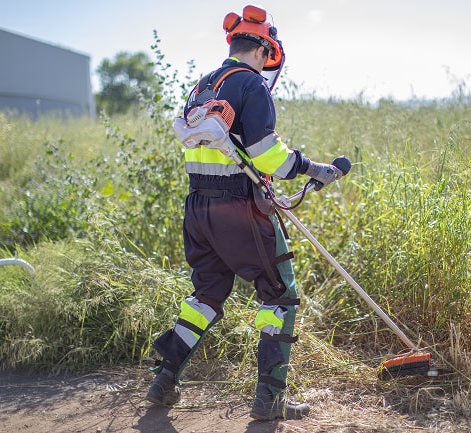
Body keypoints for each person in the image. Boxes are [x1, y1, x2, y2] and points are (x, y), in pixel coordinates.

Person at [145, 4, 342, 421]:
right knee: (280, 297)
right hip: (239, 209)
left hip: (198, 209)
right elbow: (269, 157)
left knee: (206, 298)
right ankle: (270, 401)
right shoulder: (251, 84)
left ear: (234, 43)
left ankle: (165, 379)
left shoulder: (202, 86)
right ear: (264, 51)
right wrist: (314, 169)